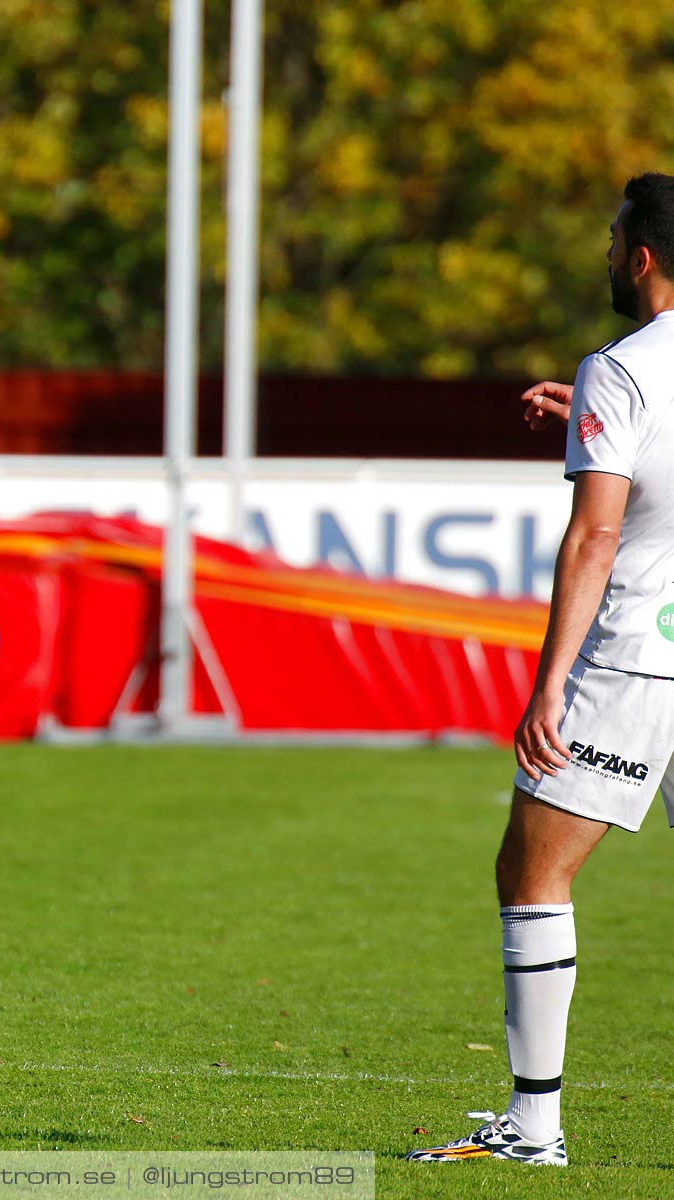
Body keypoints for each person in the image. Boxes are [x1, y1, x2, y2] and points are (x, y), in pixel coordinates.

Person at [409, 172, 674, 1166]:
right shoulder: (624, 385)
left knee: (533, 871)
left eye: (613, 242)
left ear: (640, 257)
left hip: (638, 660)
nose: (606, 256)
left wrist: (550, 681)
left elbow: (595, 540)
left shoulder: (625, 367)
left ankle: (533, 1125)